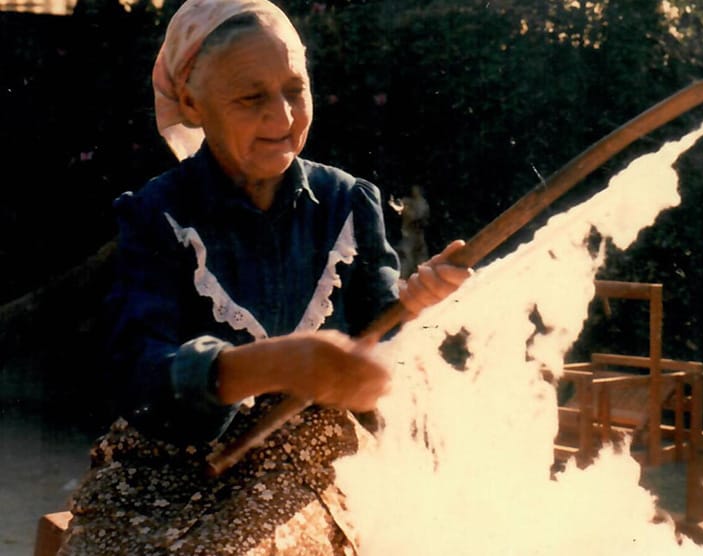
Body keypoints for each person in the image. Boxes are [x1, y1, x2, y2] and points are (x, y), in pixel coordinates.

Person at [58, 1, 470, 554]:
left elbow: (376, 339)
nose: (283, 118)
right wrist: (267, 366)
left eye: (295, 90)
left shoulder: (348, 202)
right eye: (252, 98)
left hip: (309, 459)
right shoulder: (157, 213)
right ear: (190, 101)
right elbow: (137, 370)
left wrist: (410, 306)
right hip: (169, 466)